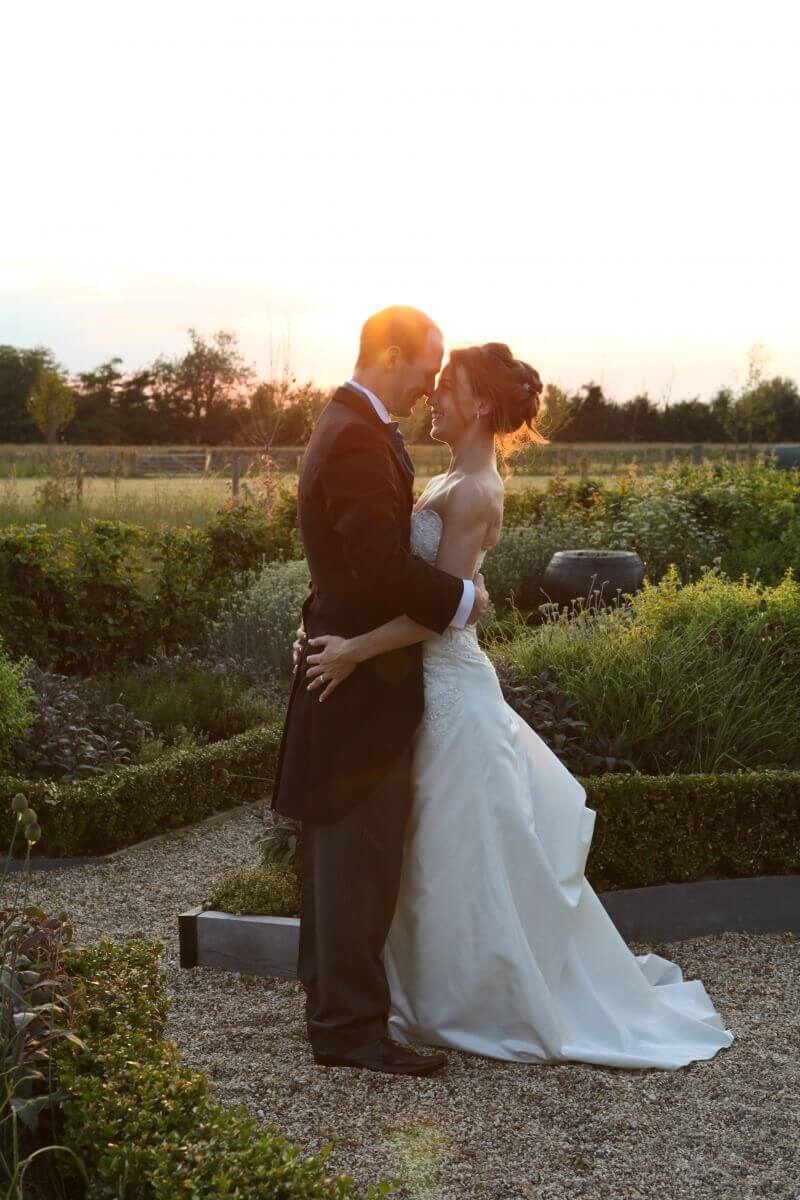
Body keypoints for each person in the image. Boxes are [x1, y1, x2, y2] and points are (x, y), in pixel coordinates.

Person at [305, 342, 734, 1070]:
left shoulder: (476, 490)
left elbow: (437, 615)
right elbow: (408, 581)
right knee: (432, 854)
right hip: (421, 685)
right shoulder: (447, 474)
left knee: (460, 853)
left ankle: (474, 999)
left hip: (447, 686)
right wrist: (328, 627)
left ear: (477, 405)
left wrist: (351, 649)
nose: (434, 395)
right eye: (431, 380)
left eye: (448, 386)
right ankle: (415, 996)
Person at [270, 306, 490, 1075]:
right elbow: (375, 568)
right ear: (389, 353)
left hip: (353, 666)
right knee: (356, 860)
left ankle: (333, 1010)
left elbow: (344, 561)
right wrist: (463, 603)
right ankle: (350, 1031)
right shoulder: (358, 435)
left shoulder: (351, 423)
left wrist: (318, 621)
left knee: (341, 856)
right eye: (424, 367)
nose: (429, 384)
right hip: (361, 686)